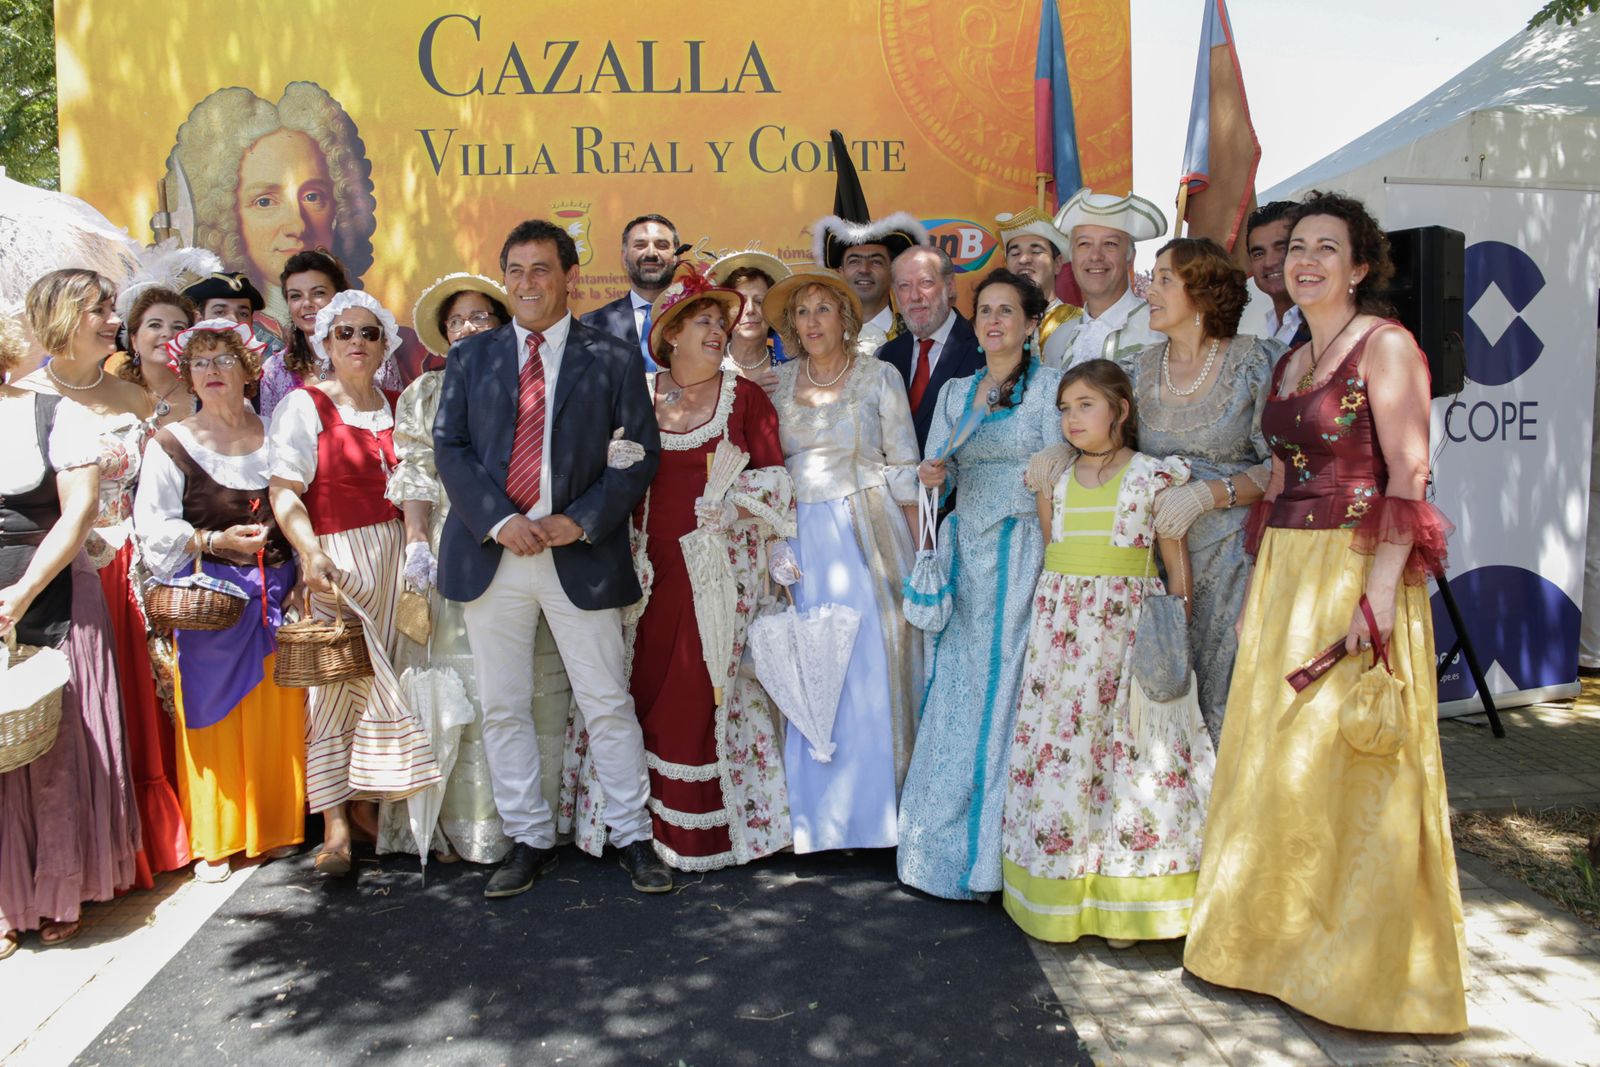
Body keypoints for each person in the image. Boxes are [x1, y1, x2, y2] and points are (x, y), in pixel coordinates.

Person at [1183, 192, 1468, 1034]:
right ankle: (1270, 950)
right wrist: (1259, 595)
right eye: (1294, 247)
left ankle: (1359, 972)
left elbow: (1409, 475)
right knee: (1280, 759)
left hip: (1353, 566)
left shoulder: (1387, 347)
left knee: (1353, 765)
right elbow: (1278, 479)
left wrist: (1376, 597)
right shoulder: (1288, 362)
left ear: (1360, 266)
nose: (1303, 260)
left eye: (1324, 248)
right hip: (1287, 573)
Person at [434, 219, 671, 897]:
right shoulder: (470, 359)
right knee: (504, 704)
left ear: (569, 276)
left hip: (579, 551)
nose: (527, 283)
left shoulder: (613, 354)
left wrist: (582, 518)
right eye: (515, 269)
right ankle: (528, 837)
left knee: (605, 699)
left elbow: (635, 451)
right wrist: (502, 520)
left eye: (542, 269)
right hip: (493, 554)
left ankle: (633, 835)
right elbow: (448, 448)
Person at [576, 263, 794, 871]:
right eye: (703, 320)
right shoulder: (638, 394)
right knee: (639, 686)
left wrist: (732, 507)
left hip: (715, 575)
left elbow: (776, 483)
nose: (719, 329)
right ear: (670, 332)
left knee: (698, 692)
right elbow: (608, 476)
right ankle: (635, 825)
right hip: (644, 575)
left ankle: (702, 833)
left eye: (721, 321)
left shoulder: (743, 396)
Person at [1001, 359, 1212, 945]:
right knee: (1068, 756)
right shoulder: (1055, 478)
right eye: (1065, 408)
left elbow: (1176, 568)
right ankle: (1066, 893)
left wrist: (1171, 634)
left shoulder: (1153, 478)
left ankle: (1128, 901)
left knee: (1129, 759)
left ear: (1120, 410)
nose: (1072, 417)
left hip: (1126, 637)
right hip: (1065, 645)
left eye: (1086, 405)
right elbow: (1055, 551)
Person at [377, 273, 570, 866]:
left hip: (529, 543)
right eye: (457, 320)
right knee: (460, 682)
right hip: (453, 545)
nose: (467, 328)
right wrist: (415, 543)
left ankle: (535, 825)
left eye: (480, 318)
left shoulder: (530, 379)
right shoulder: (424, 392)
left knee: (525, 686)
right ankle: (465, 824)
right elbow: (414, 471)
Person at [16, 268, 192, 888]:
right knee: (88, 711)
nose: (113, 319)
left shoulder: (131, 393)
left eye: (113, 308)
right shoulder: (28, 399)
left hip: (135, 561)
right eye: (99, 309)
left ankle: (155, 833)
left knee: (149, 698)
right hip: (70, 571)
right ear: (65, 316)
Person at [896, 269, 1064, 901]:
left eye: (1006, 312)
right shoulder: (956, 392)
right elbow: (935, 472)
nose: (994, 322)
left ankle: (1000, 861)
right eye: (985, 311)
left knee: (1012, 697)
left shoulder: (1050, 389)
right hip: (969, 555)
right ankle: (940, 854)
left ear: (1029, 323)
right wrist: (931, 475)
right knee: (960, 693)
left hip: (1027, 552)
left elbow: (1058, 473)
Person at [267, 289, 442, 877]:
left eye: (369, 333)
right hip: (338, 559)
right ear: (325, 343)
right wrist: (309, 553)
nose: (358, 343)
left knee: (396, 675)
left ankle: (383, 815)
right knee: (335, 692)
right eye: (345, 333)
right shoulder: (304, 406)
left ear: (386, 344)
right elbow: (284, 493)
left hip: (399, 557)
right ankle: (336, 827)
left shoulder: (400, 404)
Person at [133, 320, 305, 881]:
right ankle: (217, 838)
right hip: (214, 602)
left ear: (249, 370)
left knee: (276, 713)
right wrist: (213, 541)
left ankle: (277, 825)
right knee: (211, 715)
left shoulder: (276, 432)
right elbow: (154, 527)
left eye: (223, 360)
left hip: (276, 594)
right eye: (201, 362)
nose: (211, 371)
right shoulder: (171, 444)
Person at [766, 266, 922, 852]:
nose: (811, 322)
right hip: (801, 540)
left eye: (822, 310)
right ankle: (816, 821)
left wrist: (921, 554)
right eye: (802, 313)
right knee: (807, 665)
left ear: (846, 317)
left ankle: (877, 819)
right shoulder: (776, 384)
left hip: (868, 531)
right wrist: (776, 542)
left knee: (868, 666)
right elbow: (763, 469)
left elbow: (905, 463)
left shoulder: (879, 377)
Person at [0, 314, 138, 958]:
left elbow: (79, 511)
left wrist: (21, 592)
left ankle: (58, 888)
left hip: (50, 587)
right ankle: (5, 900)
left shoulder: (55, 415)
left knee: (53, 744)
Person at [1126, 237, 1275, 742]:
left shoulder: (1255, 363)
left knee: (1227, 696)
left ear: (1204, 291)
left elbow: (1285, 466)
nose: (1150, 289)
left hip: (1236, 560)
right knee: (1163, 692)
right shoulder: (1137, 368)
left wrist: (1209, 495)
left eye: (1165, 279)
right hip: (1154, 564)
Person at [164, 82, 377, 327]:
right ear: (228, 219)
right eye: (265, 202)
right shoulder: (227, 339)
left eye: (313, 197)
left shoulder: (374, 337)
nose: (297, 225)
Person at [811, 130, 927, 351]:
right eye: (854, 261)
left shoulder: (919, 337)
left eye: (876, 261)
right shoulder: (817, 340)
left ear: (893, 272)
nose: (864, 269)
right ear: (840, 271)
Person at [258, 251, 400, 420]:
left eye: (318, 293)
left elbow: (397, 422)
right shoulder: (275, 370)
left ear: (339, 297)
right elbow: (273, 436)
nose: (307, 303)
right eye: (295, 296)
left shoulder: (376, 358)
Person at [1043, 189, 1167, 370]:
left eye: (1110, 244)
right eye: (1084, 244)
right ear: (1073, 257)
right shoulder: (1057, 340)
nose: (1095, 256)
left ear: (1130, 257)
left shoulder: (1161, 329)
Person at [877, 246, 985, 451]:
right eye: (904, 286)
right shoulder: (886, 356)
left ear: (950, 286)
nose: (915, 296)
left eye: (925, 283)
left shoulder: (983, 350)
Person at [579, 214, 679, 372]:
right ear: (624, 258)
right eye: (640, 245)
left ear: (675, 257)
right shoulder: (592, 325)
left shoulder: (699, 318)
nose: (651, 254)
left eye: (661, 245)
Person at [995, 206, 1081, 348]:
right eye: (1015, 254)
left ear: (1058, 263)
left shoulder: (1078, 324)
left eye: (1035, 251)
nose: (1024, 260)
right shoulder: (994, 324)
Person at [113, 286, 198, 427]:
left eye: (178, 327)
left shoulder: (205, 394)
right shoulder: (113, 394)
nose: (168, 333)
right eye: (155, 325)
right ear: (134, 340)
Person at [709, 249, 791, 395]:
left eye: (759, 301)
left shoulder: (789, 367)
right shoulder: (706, 367)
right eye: (741, 302)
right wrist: (747, 397)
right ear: (724, 311)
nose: (750, 310)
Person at [180, 271, 288, 367]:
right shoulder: (181, 365)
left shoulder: (271, 366)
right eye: (220, 312)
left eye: (243, 314)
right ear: (199, 319)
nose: (234, 320)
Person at [1244, 201, 1306, 347]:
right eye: (1259, 253)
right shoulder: (1270, 328)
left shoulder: (1329, 329)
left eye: (1282, 248)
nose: (1269, 262)